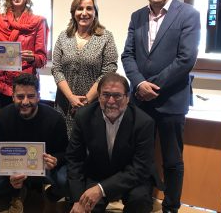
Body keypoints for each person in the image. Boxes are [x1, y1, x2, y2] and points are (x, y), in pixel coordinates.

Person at [121, 0, 200, 213]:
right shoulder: (137, 17)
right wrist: (139, 83)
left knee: (172, 161)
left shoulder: (188, 14)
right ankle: (140, 203)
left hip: (171, 102)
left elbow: (186, 59)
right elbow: (128, 55)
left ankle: (171, 207)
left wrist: (150, 86)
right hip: (140, 102)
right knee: (140, 157)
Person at [66, 73, 156, 213]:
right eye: (106, 95)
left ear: (127, 97)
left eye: (117, 95)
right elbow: (74, 159)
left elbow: (140, 168)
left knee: (140, 200)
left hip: (131, 177)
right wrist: (78, 199)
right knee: (87, 206)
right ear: (99, 96)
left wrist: (102, 189)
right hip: (98, 173)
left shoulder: (144, 122)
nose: (111, 101)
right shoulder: (84, 116)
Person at [0, 73, 68, 213]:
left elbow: (65, 152)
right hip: (14, 166)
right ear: (13, 96)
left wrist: (56, 159)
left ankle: (51, 194)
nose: (25, 102)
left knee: (66, 181)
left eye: (31, 96)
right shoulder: (3, 116)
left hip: (45, 167)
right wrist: (10, 175)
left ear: (38, 96)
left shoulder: (55, 119)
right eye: (20, 96)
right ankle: (18, 189)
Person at [51, 0, 118, 138]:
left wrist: (86, 100)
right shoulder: (64, 36)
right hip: (64, 104)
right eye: (80, 8)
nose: (84, 13)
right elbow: (56, 69)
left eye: (89, 8)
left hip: (93, 105)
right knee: (63, 146)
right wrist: (71, 98)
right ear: (73, 12)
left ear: (95, 12)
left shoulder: (105, 37)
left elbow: (109, 70)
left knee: (89, 147)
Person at [0, 0, 49, 108]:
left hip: (25, 88)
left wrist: (32, 58)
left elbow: (42, 59)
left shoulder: (38, 22)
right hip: (1, 85)